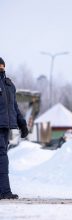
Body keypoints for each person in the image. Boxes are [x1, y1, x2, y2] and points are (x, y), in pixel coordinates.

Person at [0, 57, 28, 200]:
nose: (1, 68)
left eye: (2, 66)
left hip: (5, 127)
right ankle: (4, 191)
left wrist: (22, 123)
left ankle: (4, 191)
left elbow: (14, 107)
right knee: (2, 158)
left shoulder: (9, 85)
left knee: (2, 157)